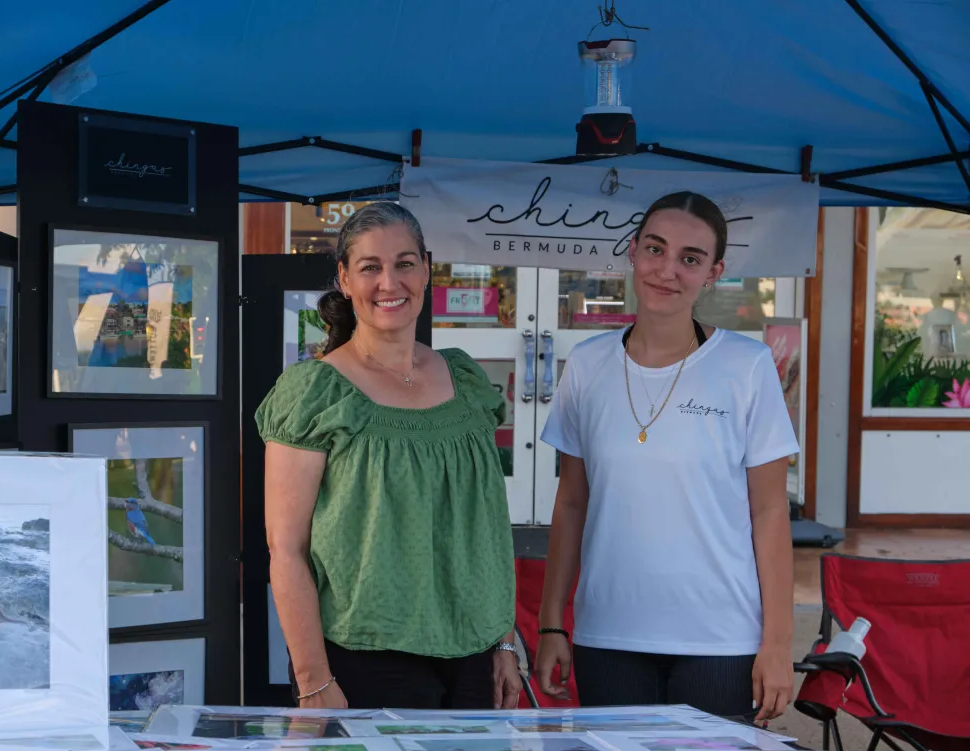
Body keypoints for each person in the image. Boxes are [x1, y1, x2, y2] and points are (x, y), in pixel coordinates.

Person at [534, 191, 798, 724]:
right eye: (655, 249)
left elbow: (769, 514)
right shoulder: (587, 366)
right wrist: (550, 624)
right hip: (609, 632)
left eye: (690, 258)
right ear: (632, 253)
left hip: (720, 638)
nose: (667, 270)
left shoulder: (746, 367)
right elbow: (570, 505)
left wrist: (777, 643)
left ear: (713, 272)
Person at [255, 201, 522, 711]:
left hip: (476, 653)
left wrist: (504, 641)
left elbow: (483, 530)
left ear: (425, 268)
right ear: (345, 278)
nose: (389, 282)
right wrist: (313, 679)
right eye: (370, 267)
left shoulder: (464, 380)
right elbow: (285, 551)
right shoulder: (315, 392)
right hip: (365, 658)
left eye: (404, 263)